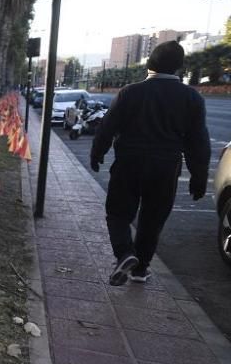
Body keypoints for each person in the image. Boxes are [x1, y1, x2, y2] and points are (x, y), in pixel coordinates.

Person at [90, 41, 210, 285]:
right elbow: (198, 141)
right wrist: (199, 176)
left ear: (149, 63)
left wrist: (97, 152)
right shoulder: (191, 97)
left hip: (129, 162)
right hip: (166, 167)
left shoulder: (130, 92)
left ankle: (124, 253)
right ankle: (140, 268)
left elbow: (107, 127)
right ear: (179, 66)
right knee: (152, 219)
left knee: (118, 213)